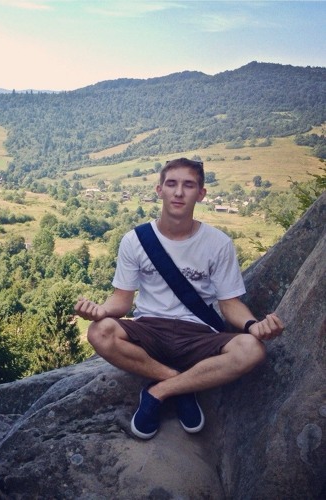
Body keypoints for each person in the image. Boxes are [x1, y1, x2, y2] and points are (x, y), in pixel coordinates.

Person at [74, 158, 284, 439]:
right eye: (171, 184)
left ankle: (160, 390)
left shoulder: (218, 243)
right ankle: (180, 381)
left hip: (198, 334)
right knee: (98, 332)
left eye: (189, 185)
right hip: (149, 329)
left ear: (201, 194)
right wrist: (100, 311)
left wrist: (252, 326)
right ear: (159, 190)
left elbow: (229, 303)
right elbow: (121, 301)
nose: (179, 192)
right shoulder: (134, 241)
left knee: (253, 350)